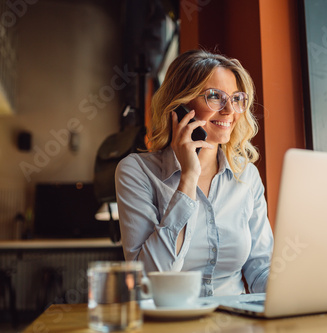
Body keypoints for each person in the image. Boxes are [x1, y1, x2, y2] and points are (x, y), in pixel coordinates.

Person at [115, 49, 273, 297]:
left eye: (236, 98)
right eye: (214, 97)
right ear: (179, 106)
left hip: (235, 322)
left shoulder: (247, 176)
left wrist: (296, 292)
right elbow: (149, 280)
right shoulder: (137, 171)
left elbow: (261, 268)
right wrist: (188, 178)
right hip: (171, 321)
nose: (229, 111)